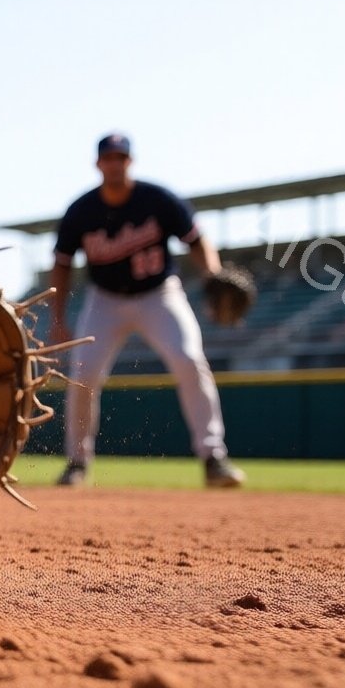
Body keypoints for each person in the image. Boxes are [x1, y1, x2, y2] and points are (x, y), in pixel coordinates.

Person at [48, 133, 245, 488]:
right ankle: (77, 462)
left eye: (121, 157)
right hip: (104, 299)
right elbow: (60, 264)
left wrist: (212, 273)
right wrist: (58, 318)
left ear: (130, 161)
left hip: (159, 295)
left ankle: (214, 457)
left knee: (188, 359)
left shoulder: (158, 199)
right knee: (84, 372)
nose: (115, 163)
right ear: (98, 164)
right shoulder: (82, 210)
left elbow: (197, 241)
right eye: (109, 158)